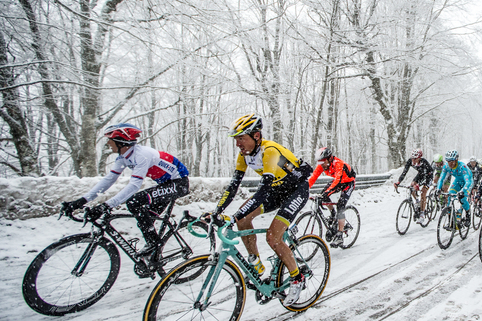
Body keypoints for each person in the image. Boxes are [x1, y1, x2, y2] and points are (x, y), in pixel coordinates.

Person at [208, 114, 313, 306]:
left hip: (296, 190)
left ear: (256, 136)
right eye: (236, 139)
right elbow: (233, 187)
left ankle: (297, 278)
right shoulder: (244, 155)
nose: (238, 144)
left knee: (273, 237)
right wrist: (216, 211)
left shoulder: (270, 151)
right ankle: (255, 263)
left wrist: (234, 215)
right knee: (242, 220)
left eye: (242, 138)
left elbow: (262, 192)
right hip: (277, 190)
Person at [62, 123, 190, 270]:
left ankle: (154, 243)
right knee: (145, 217)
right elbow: (108, 180)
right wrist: (81, 201)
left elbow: (134, 186)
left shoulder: (142, 155)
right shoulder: (123, 157)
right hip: (165, 184)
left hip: (178, 183)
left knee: (134, 202)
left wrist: (106, 206)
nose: (108, 144)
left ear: (121, 140)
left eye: (110, 140)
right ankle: (154, 255)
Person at [309, 147, 357, 247]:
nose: (321, 165)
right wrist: (304, 190)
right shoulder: (322, 165)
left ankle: (339, 236)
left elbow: (337, 182)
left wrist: (327, 192)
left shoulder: (339, 164)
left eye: (323, 162)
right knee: (323, 195)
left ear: (329, 159)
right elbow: (313, 178)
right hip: (339, 181)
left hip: (348, 182)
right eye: (319, 162)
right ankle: (333, 214)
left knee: (340, 205)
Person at [394, 149, 434, 225]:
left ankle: (422, 214)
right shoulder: (410, 161)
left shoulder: (424, 162)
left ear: (419, 158)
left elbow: (426, 177)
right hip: (420, 174)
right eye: (412, 158)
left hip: (428, 176)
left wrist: (419, 185)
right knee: (411, 186)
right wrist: (398, 182)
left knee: (423, 192)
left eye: (415, 158)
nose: (413, 160)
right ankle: (418, 201)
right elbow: (404, 172)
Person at [436, 150, 473, 226]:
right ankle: (450, 221)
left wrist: (463, 191)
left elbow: (468, 182)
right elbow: (441, 178)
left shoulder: (462, 167)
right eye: (448, 161)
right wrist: (438, 189)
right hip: (458, 181)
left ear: (456, 160)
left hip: (467, 182)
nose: (450, 164)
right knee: (450, 195)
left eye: (452, 161)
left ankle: (468, 214)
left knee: (462, 198)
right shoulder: (446, 166)